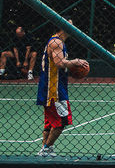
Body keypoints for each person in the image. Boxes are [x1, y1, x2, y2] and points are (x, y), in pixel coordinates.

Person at [36, 21, 87, 156]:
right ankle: (46, 147)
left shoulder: (57, 42)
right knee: (62, 121)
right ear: (63, 27)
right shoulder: (57, 42)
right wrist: (75, 62)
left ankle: (45, 149)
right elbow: (59, 63)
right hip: (54, 89)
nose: (73, 27)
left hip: (52, 86)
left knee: (50, 122)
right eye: (70, 25)